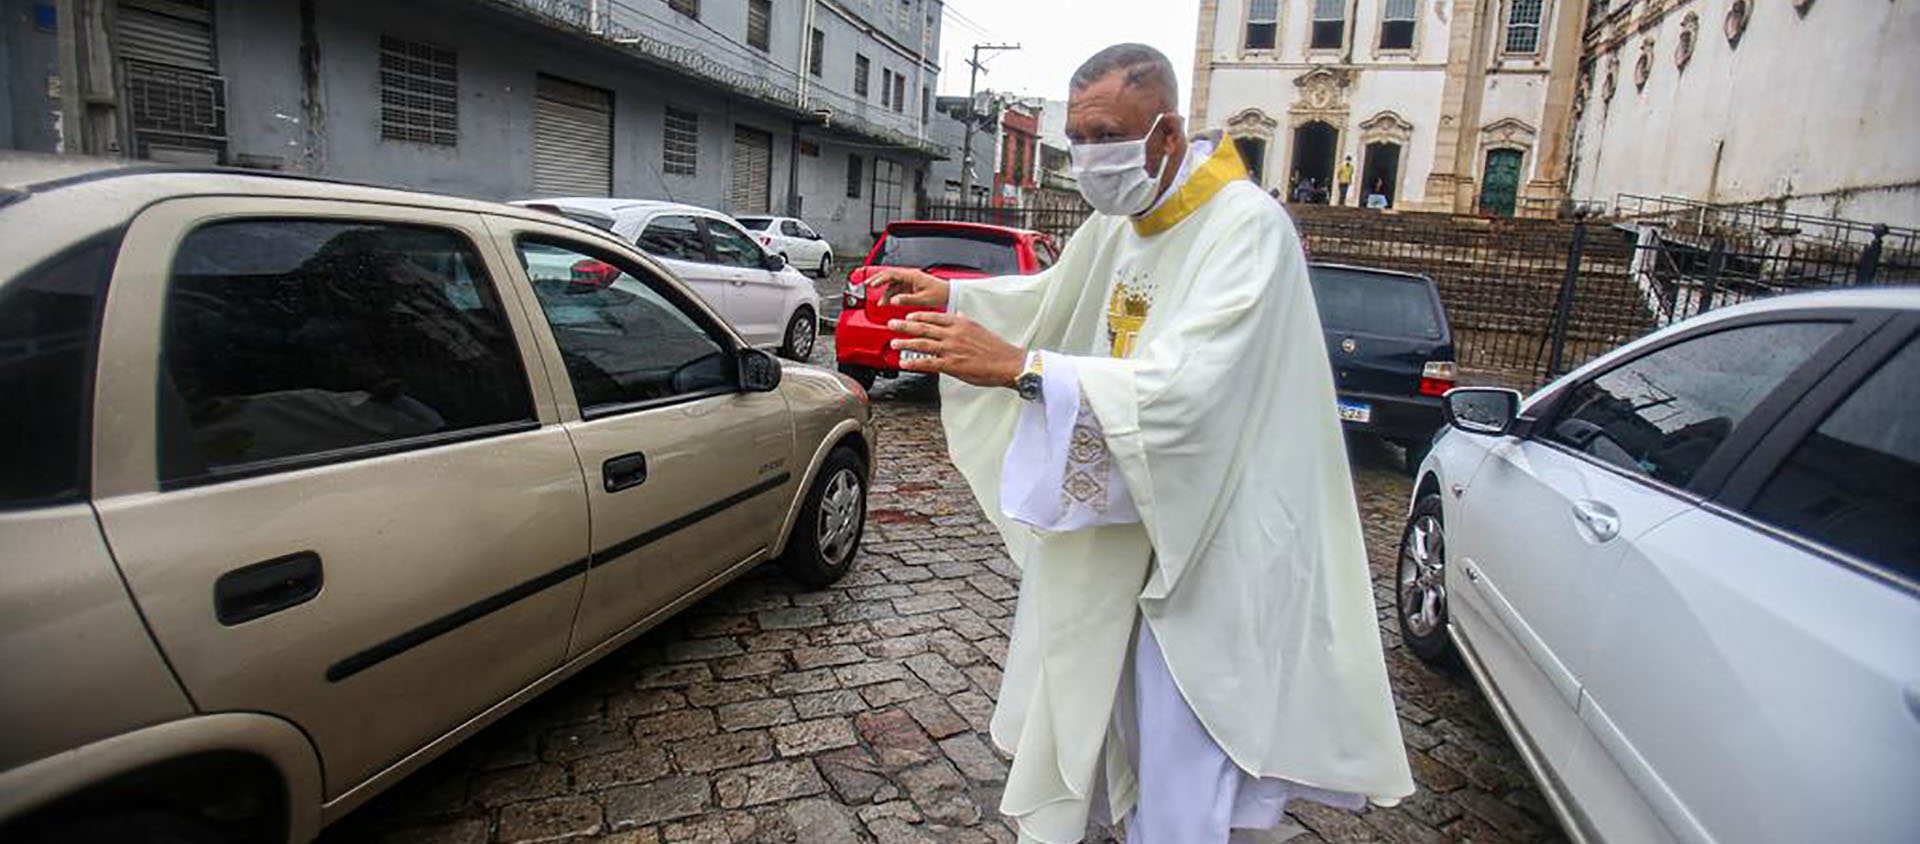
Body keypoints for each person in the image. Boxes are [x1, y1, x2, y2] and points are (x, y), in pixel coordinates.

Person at [864, 43, 1413, 844]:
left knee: (1182, 755)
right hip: (1124, 526)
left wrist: (1022, 368)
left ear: (1166, 132)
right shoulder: (1120, 222)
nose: (1089, 157)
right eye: (1078, 136)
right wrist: (955, 292)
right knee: (1110, 714)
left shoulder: (1247, 231)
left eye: (1107, 136)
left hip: (1208, 542)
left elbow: (1194, 390)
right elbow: (1056, 297)